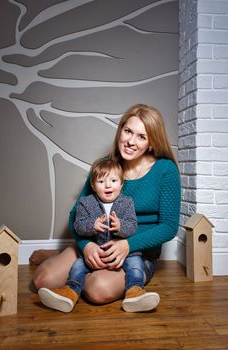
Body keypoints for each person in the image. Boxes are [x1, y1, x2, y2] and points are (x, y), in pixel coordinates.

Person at [31, 103, 181, 312]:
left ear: (152, 143)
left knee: (96, 289)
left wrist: (128, 244)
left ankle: (59, 257)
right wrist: (86, 246)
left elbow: (169, 226)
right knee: (42, 281)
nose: (130, 141)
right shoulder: (105, 167)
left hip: (137, 254)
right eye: (128, 131)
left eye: (141, 136)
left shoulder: (165, 169)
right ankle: (62, 257)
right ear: (120, 130)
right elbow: (77, 213)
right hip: (96, 243)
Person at [38, 158, 159, 312]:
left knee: (135, 264)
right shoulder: (86, 203)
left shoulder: (127, 202)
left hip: (124, 252)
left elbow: (132, 226)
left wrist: (121, 227)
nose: (108, 185)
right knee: (78, 266)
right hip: (96, 250)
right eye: (101, 182)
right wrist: (92, 226)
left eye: (113, 180)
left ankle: (134, 292)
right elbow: (78, 226)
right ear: (93, 186)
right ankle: (70, 291)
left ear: (121, 184)